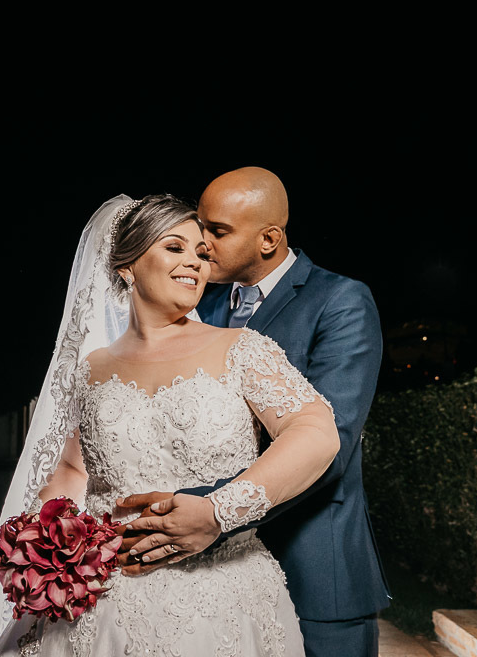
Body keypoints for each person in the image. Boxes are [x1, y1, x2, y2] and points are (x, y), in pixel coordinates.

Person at [0, 193, 340, 656]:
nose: (195, 262)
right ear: (127, 266)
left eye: (202, 252)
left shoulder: (242, 348)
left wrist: (218, 510)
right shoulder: (90, 368)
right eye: (174, 247)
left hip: (219, 596)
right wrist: (46, 546)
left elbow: (315, 432)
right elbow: (75, 470)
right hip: (99, 600)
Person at [116, 168, 391, 657]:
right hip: (209, 579)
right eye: (200, 226)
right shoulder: (197, 303)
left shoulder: (340, 301)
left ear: (269, 239)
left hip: (313, 565)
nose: (202, 242)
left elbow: (334, 445)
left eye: (218, 231)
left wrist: (206, 509)